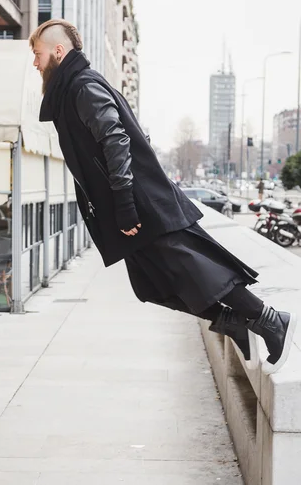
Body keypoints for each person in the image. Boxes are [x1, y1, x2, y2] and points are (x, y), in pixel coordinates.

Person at [31, 18, 296, 375]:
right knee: (152, 287)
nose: (35, 62)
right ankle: (231, 321)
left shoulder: (82, 87)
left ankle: (269, 320)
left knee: (197, 270)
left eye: (38, 53)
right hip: (132, 207)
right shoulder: (72, 92)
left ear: (58, 52)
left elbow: (116, 139)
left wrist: (125, 204)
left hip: (141, 206)